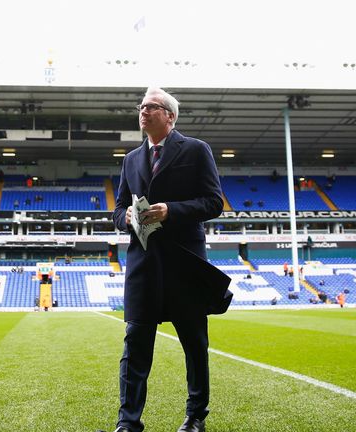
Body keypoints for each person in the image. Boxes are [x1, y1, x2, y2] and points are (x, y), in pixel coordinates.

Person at [105, 87, 232, 432]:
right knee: (135, 345)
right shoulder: (131, 159)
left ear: (170, 116)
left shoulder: (195, 149)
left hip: (184, 263)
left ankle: (195, 417)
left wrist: (171, 211)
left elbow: (213, 203)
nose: (143, 111)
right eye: (142, 107)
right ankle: (128, 423)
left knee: (194, 344)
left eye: (152, 107)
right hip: (143, 265)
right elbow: (117, 209)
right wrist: (127, 218)